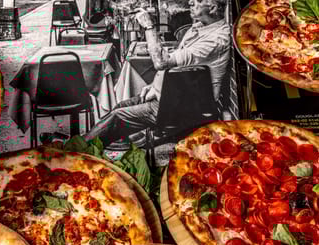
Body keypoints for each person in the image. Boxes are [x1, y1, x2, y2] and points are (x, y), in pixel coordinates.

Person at [84, 0, 230, 148]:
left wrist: (149, 26)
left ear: (213, 7)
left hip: (186, 106)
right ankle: (106, 143)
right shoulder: (199, 27)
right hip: (174, 97)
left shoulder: (216, 39)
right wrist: (154, 86)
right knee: (120, 106)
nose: (190, 2)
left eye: (198, 0)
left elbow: (161, 63)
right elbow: (180, 67)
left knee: (117, 118)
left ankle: (80, 151)